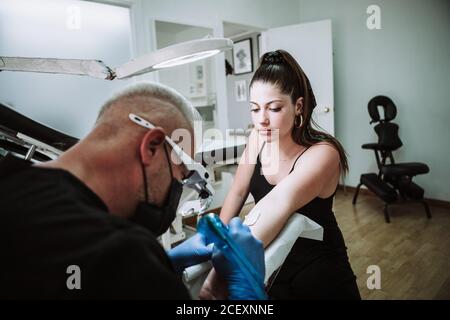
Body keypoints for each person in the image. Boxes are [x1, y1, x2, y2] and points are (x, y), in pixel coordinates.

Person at [0, 82, 265, 299]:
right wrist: (247, 293)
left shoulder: (10, 182)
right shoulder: (122, 253)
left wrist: (165, 264)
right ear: (152, 146)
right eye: (183, 175)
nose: (178, 190)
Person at [200, 50, 361, 300]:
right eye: (255, 109)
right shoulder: (257, 138)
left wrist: (219, 276)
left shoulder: (324, 153)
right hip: (269, 264)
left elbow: (277, 203)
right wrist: (216, 239)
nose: (261, 120)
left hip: (317, 271)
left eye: (273, 108)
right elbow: (238, 191)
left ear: (298, 106)